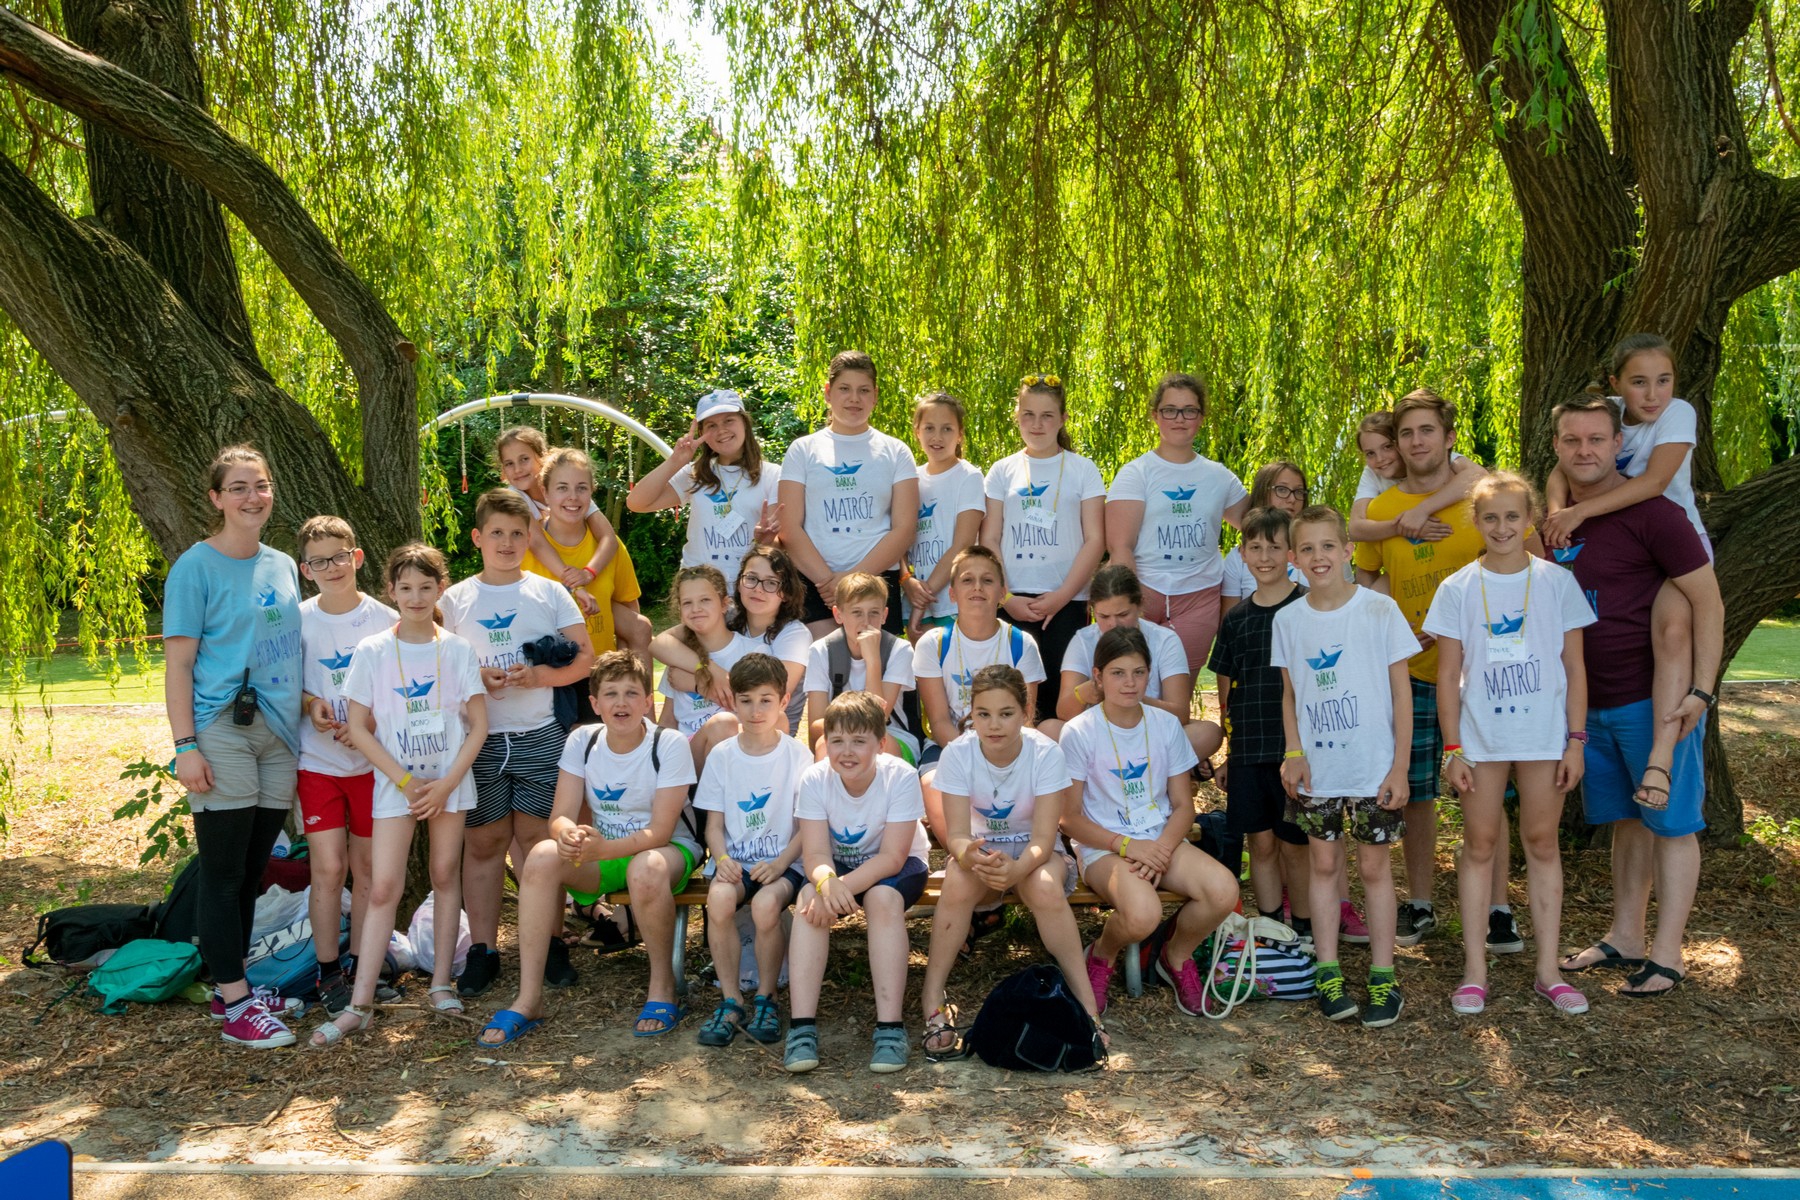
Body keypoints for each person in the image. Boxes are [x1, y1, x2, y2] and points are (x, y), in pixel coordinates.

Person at [1547, 395, 1722, 998]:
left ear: (1619, 444)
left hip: (1653, 703)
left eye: (1597, 439)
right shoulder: (1553, 522)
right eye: (1573, 440)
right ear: (1556, 447)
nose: (1585, 451)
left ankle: (1668, 955)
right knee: (1628, 820)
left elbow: (1708, 603)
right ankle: (1625, 936)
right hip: (1586, 707)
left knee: (1671, 824)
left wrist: (1702, 689)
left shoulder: (1656, 515)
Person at [1424, 473, 1597, 1016]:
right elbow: (1447, 675)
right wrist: (1452, 749)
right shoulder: (1456, 589)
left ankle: (1549, 972)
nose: (1502, 527)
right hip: (1481, 739)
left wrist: (1575, 741)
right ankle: (1475, 971)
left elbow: (1576, 668)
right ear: (1476, 522)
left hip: (1543, 738)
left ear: (1529, 521)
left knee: (1542, 843)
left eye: (1512, 517)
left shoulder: (1556, 584)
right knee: (1480, 845)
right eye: (1491, 517)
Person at [1351, 389, 1512, 950]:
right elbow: (1367, 582)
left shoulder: (1480, 498)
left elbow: (1522, 566)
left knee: (1484, 791)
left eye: (1427, 431)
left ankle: (1498, 908)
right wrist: (1393, 628)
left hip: (1481, 673)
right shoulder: (1380, 511)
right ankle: (1420, 903)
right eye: (1406, 433)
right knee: (1417, 793)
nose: (1416, 441)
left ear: (1449, 438)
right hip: (1414, 673)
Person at [476, 650, 701, 1045]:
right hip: (604, 849)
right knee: (542, 856)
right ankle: (529, 998)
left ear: (647, 702)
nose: (621, 703)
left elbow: (661, 832)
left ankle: (663, 988)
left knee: (645, 867)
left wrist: (602, 849)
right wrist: (567, 834)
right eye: (610, 694)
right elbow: (560, 816)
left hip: (666, 851)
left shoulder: (668, 743)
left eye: (631, 693)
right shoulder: (583, 740)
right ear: (595, 704)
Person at [312, 544, 489, 1045]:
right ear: (390, 591)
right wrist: (408, 783)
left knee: (444, 875)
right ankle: (359, 1003)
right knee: (383, 887)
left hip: (449, 784)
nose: (415, 597)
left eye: (425, 588)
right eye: (406, 588)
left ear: (440, 590)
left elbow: (478, 725)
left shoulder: (456, 649)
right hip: (398, 786)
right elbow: (359, 727)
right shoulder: (372, 650)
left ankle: (440, 985)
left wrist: (446, 784)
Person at [163, 445, 306, 1047]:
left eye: (261, 485)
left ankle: (234, 989)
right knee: (223, 874)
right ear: (216, 498)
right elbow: (178, 666)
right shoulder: (194, 568)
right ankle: (237, 1006)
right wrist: (185, 746)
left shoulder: (283, 565)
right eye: (239, 488)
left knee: (252, 871)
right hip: (221, 729)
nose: (253, 497)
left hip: (279, 732)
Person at [441, 488, 595, 998]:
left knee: (537, 843)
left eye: (516, 533)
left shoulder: (550, 593)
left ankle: (549, 943)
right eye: (496, 533)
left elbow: (585, 659)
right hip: (479, 740)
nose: (507, 543)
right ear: (477, 538)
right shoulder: (454, 600)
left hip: (539, 733)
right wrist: (474, 678)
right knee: (484, 844)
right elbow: (433, 662)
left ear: (530, 538)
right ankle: (483, 950)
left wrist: (540, 678)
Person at [1543, 334, 1707, 810]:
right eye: (1639, 382)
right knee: (1624, 822)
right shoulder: (1605, 413)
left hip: (1682, 544)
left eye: (1663, 380)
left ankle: (1661, 754)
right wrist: (1557, 514)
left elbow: (1655, 482)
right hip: (1632, 533)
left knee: (1672, 631)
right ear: (1616, 384)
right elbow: (1559, 471)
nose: (1652, 394)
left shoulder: (1677, 413)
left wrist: (1579, 513)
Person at [1274, 506, 1418, 1028]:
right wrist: (1294, 752)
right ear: (1294, 558)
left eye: (1328, 546)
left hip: (1373, 767)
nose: (1319, 557)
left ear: (1348, 550)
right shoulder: (1288, 620)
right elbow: (1291, 694)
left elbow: (1402, 694)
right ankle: (1328, 972)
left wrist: (1399, 768)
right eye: (1307, 548)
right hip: (1320, 771)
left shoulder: (1379, 610)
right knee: (1324, 868)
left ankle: (1384, 975)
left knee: (1375, 869)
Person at [919, 665, 1106, 1060]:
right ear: (972, 714)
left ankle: (1088, 1007)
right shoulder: (958, 753)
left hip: (1038, 856)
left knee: (1044, 887)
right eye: (983, 714)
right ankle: (932, 998)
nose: (994, 725)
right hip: (983, 853)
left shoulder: (1045, 753)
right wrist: (969, 855)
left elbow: (1044, 840)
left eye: (1006, 713)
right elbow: (956, 835)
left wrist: (1018, 869)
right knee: (957, 881)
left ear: (1025, 712)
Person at [1058, 627, 1239, 1018]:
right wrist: (1128, 846)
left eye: (1138, 672)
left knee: (1223, 891)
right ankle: (1101, 955)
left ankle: (1175, 956)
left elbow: (1183, 806)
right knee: (1142, 914)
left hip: (1160, 839)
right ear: (1098, 676)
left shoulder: (1165, 725)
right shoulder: (1079, 731)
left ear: (1149, 674)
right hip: (1104, 846)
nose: (1130, 683)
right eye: (1118, 673)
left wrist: (1160, 849)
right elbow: (1068, 818)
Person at [784, 692, 933, 1074]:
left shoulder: (899, 776)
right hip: (838, 866)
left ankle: (890, 1028)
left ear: (880, 744)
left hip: (899, 864)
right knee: (809, 898)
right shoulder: (815, 778)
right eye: (837, 740)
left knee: (882, 899)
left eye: (859, 740)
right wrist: (826, 883)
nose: (846, 751)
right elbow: (816, 855)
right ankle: (801, 1028)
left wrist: (841, 886)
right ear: (825, 743)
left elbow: (893, 858)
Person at [295, 515, 396, 1015]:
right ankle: (328, 970)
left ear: (356, 557)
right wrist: (311, 704)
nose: (332, 567)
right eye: (319, 561)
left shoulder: (385, 620)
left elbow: (403, 690)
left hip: (373, 767)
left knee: (369, 868)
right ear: (305, 570)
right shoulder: (298, 620)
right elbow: (284, 686)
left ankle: (363, 965)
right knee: (329, 867)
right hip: (318, 764)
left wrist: (369, 724)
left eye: (339, 556)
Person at [693, 654, 813, 1047]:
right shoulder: (723, 756)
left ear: (784, 701)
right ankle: (731, 1000)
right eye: (746, 700)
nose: (756, 710)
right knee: (719, 900)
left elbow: (808, 827)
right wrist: (723, 859)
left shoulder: (797, 756)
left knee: (764, 906)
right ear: (733, 701)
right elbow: (713, 827)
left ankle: (767, 997)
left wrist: (780, 864)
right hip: (737, 862)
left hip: (785, 861)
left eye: (766, 700)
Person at [1207, 507, 1312, 940]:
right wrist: (1229, 754)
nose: (1265, 557)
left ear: (1290, 552)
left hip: (1296, 749)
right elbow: (1226, 690)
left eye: (1274, 547)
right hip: (1250, 747)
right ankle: (1271, 932)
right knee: (1261, 842)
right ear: (1242, 554)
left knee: (1296, 844)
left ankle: (1304, 930)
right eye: (1255, 547)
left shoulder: (1307, 606)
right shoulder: (1236, 619)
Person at [982, 374, 1106, 722]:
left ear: (1063, 418)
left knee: (1058, 702)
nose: (1037, 424)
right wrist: (1005, 597)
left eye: (1047, 415)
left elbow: (1096, 539)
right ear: (1017, 417)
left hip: (1066, 601)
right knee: (1010, 696)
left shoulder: (1083, 470)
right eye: (1029, 414)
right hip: (1012, 601)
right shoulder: (1002, 471)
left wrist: (1062, 596)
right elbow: (990, 538)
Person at [1104, 373, 1249, 672]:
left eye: (1189, 411)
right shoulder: (1136, 473)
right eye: (1170, 410)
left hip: (1199, 596)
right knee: (1131, 678)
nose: (1179, 418)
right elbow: (1121, 547)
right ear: (1155, 416)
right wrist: (1130, 604)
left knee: (1180, 681)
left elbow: (1257, 527)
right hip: (1144, 591)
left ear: (1201, 417)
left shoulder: (1219, 476)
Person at [779, 350, 920, 636]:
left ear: (875, 396)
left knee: (875, 663)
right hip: (817, 585)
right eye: (844, 389)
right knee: (824, 662)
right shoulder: (802, 450)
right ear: (828, 393)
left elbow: (905, 529)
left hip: (877, 582)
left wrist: (854, 579)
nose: (854, 398)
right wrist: (828, 582)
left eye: (863, 390)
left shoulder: (896, 451)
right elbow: (789, 527)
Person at [914, 545, 1047, 844]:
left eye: (987, 580)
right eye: (967, 580)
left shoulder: (1021, 643)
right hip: (950, 744)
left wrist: (995, 761)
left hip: (1009, 744)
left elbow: (1025, 718)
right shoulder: (934, 643)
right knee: (933, 785)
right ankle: (967, 856)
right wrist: (973, 761)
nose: (977, 587)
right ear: (952, 593)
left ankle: (1026, 847)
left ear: (1002, 592)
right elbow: (939, 721)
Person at [494, 425, 651, 657]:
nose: (517, 469)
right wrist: (575, 585)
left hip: (590, 594)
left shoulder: (573, 487)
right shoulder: (514, 498)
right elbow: (538, 543)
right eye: (509, 463)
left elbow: (608, 537)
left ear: (542, 458)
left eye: (524, 459)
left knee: (640, 626)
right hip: (550, 615)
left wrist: (588, 573)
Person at [1048, 564, 1221, 770]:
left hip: (1150, 734)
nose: (1113, 625)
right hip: (1099, 736)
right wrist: (1088, 692)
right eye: (1104, 617)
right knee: (1049, 730)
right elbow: (1063, 712)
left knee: (1209, 733)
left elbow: (1180, 714)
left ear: (1139, 606)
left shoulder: (1165, 640)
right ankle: (1156, 769)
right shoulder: (1083, 640)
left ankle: (1114, 770)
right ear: (1092, 610)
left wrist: (1132, 697)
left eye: (1123, 614)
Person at [626, 388, 783, 577]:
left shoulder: (773, 474)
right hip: (697, 584)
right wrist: (675, 461)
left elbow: (780, 545)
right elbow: (636, 503)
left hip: (748, 584)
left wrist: (766, 541)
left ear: (745, 423)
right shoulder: (695, 473)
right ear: (702, 433)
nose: (721, 430)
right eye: (711, 425)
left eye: (729, 420)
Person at [523, 448, 647, 678]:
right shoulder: (525, 549)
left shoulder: (610, 547)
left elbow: (632, 618)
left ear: (592, 491)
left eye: (581, 488)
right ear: (545, 492)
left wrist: (623, 677)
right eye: (562, 488)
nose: (573, 497)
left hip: (602, 680)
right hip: (549, 682)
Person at [650, 565, 761, 771]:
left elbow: (760, 708)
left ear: (724, 604)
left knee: (726, 724)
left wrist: (700, 685)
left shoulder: (752, 652)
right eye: (687, 603)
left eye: (705, 600)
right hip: (690, 754)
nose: (696, 609)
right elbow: (668, 720)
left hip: (741, 748)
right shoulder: (680, 658)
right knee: (722, 724)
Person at [804, 571, 920, 762]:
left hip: (891, 737)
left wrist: (873, 660)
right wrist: (847, 731)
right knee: (823, 741)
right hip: (838, 736)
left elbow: (877, 721)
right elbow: (816, 725)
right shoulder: (821, 651)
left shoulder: (900, 650)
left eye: (874, 613)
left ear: (884, 615)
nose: (866, 622)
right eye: (856, 612)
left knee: (875, 744)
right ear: (838, 615)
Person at [902, 392, 986, 638]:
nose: (937, 437)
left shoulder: (968, 477)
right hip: (915, 596)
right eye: (929, 428)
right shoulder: (910, 478)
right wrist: (906, 580)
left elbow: (963, 544)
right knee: (925, 662)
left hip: (953, 600)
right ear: (917, 431)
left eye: (947, 429)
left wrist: (923, 597)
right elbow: (898, 536)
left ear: (960, 434)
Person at [1347, 410, 1482, 545]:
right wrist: (1404, 527)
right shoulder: (1372, 473)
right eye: (1370, 453)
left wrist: (1421, 511)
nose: (1380, 459)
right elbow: (1355, 529)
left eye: (1387, 447)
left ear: (1400, 444)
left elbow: (1479, 475)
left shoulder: (1433, 456)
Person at [1219, 461, 1309, 617]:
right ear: (1262, 492)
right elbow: (1229, 621)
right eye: (1282, 490)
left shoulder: (1318, 550)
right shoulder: (1238, 559)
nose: (1292, 499)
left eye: (1299, 491)